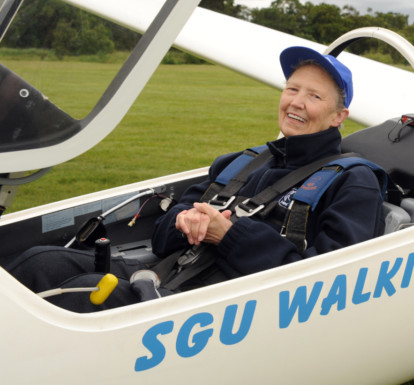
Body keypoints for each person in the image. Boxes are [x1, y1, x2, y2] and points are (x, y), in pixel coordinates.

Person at [6, 46, 385, 312]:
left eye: (314, 96)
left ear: (339, 116)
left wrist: (228, 235)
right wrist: (183, 220)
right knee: (42, 262)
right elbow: (162, 234)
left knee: (75, 298)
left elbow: (332, 288)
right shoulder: (243, 162)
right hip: (168, 271)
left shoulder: (353, 183)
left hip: (228, 304)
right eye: (292, 89)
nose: (296, 102)